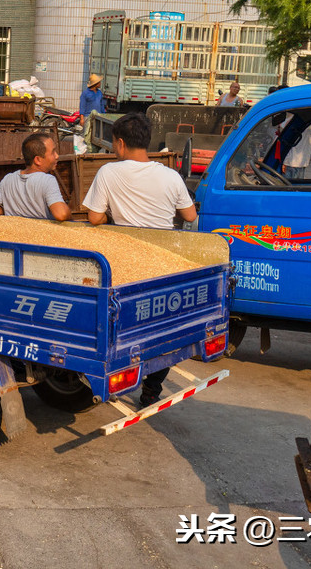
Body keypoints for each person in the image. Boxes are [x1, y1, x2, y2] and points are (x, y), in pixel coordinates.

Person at [81, 112, 197, 406]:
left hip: (126, 260)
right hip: (163, 261)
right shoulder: (170, 176)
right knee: (161, 329)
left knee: (125, 326)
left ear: (120, 143)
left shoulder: (109, 172)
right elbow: (190, 216)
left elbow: (94, 217)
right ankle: (152, 390)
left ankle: (119, 376)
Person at [0, 132, 71, 221]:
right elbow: (61, 214)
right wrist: (69, 212)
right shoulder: (47, 180)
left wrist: (7, 210)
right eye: (53, 152)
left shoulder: (8, 179)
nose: (57, 156)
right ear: (38, 160)